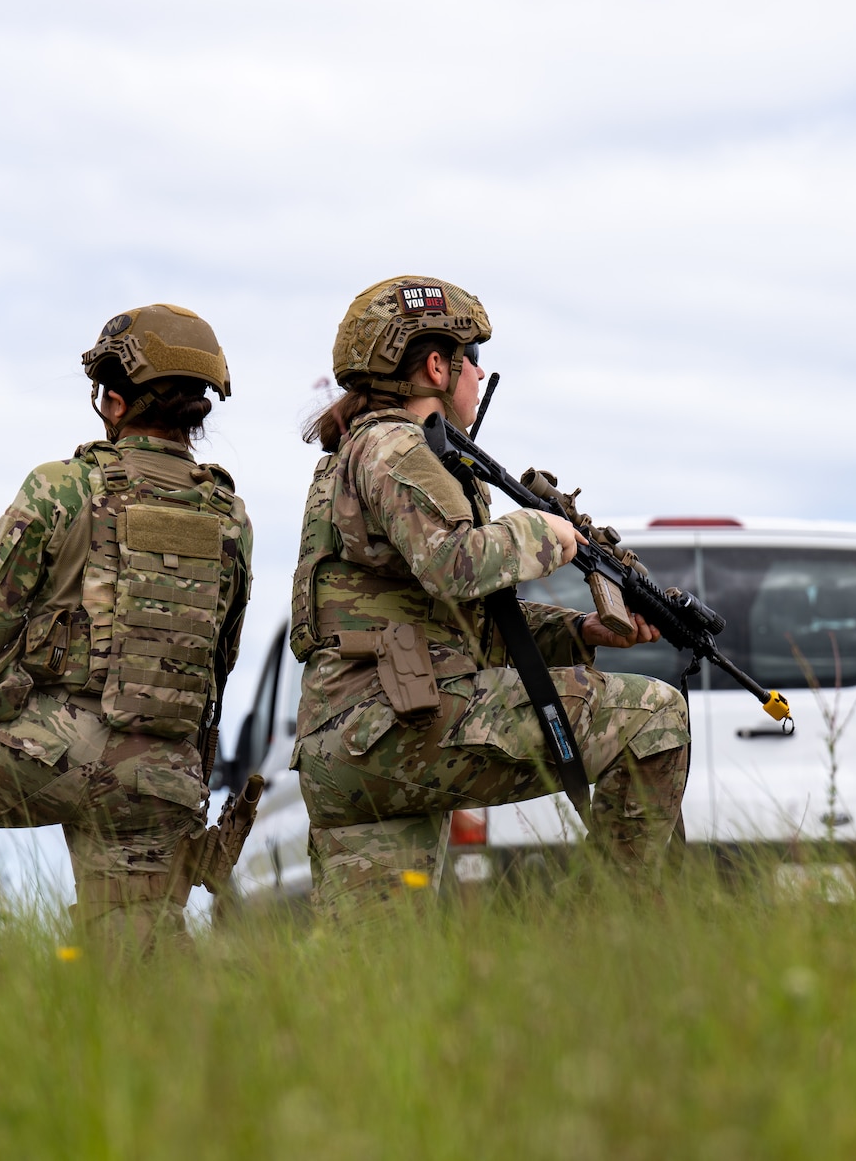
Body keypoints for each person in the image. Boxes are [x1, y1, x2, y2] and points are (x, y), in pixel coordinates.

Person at [289, 278, 689, 913]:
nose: (479, 373)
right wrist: (542, 532)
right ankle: (602, 939)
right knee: (655, 719)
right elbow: (457, 565)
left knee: (375, 977)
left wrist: (582, 633)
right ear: (436, 366)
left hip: (350, 743)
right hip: (394, 726)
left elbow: (464, 625)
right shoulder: (397, 447)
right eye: (470, 357)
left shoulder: (358, 452)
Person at [0, 304, 253, 946]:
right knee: (134, 952)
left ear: (114, 402)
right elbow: (219, 656)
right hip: (166, 771)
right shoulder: (230, 515)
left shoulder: (62, 488)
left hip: (49, 756)